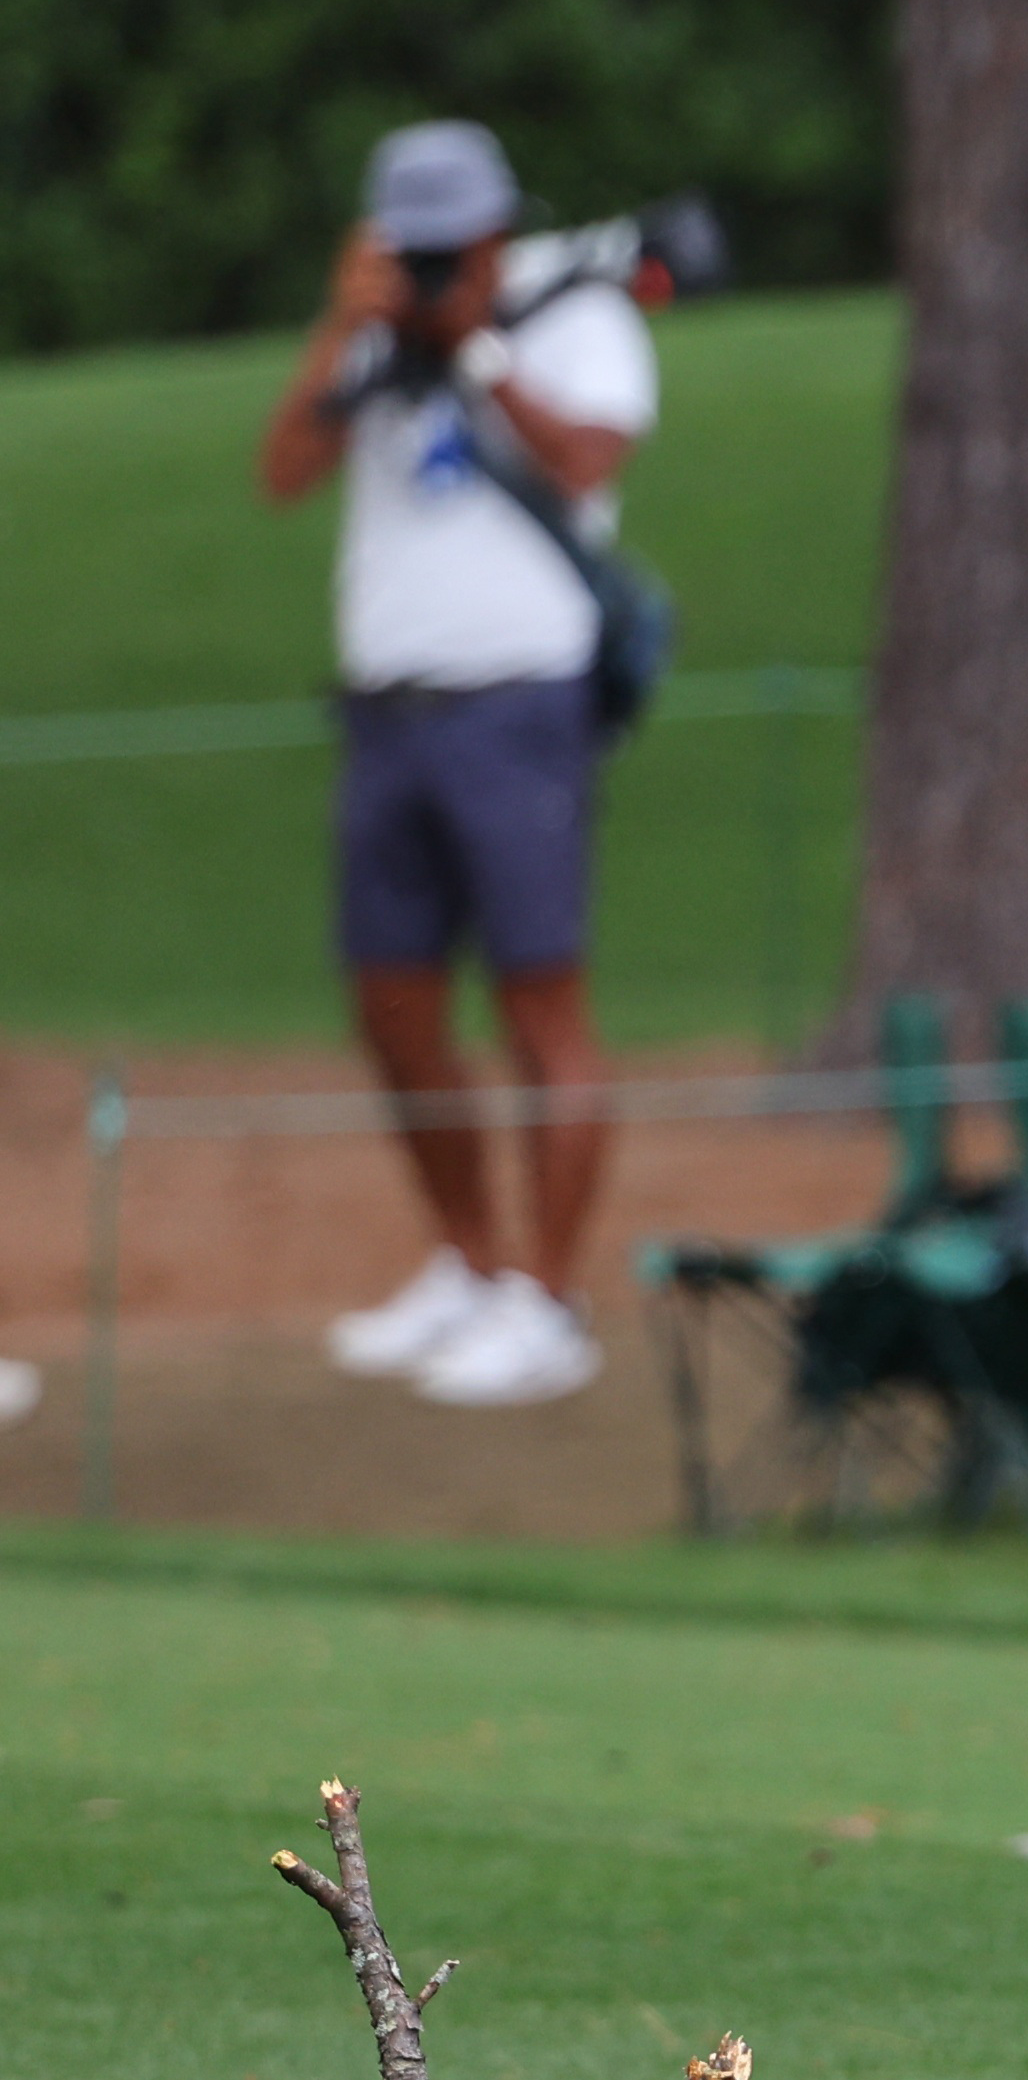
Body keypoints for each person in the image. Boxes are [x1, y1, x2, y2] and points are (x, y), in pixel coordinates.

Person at [257, 117, 651, 1407]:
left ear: (493, 232)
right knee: (393, 1007)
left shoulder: (573, 315)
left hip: (520, 706)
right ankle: (469, 1265)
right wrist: (345, 330)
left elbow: (589, 458)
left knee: (542, 1004)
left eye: (446, 247)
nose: (427, 267)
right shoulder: (369, 329)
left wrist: (474, 343)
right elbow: (283, 474)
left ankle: (549, 1300)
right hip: (387, 712)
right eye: (406, 248)